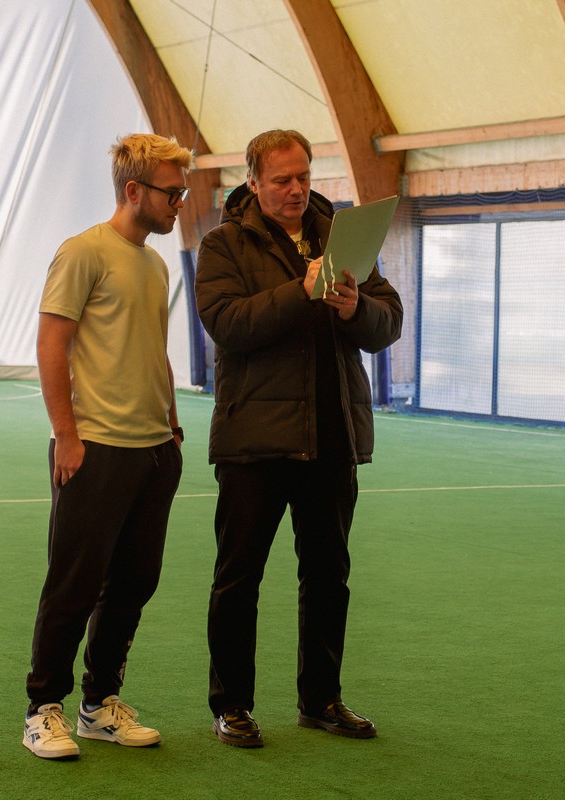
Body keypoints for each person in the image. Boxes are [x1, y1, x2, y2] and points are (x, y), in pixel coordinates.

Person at [194, 129, 403, 747]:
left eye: (304, 176)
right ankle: (232, 705)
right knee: (239, 579)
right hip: (254, 442)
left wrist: (354, 308)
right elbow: (226, 324)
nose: (295, 189)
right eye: (282, 179)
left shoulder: (344, 238)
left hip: (333, 437)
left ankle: (322, 699)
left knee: (328, 576)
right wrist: (301, 290)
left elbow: (389, 320)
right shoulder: (222, 244)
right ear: (253, 182)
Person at [22, 133, 190, 760]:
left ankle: (99, 706)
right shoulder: (83, 252)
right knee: (74, 583)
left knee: (134, 584)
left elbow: (155, 351)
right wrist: (67, 436)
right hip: (94, 447)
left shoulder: (155, 265)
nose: (179, 204)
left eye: (182, 192)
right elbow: (52, 345)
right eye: (171, 193)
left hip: (154, 451)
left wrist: (172, 426)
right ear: (134, 190)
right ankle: (43, 710)